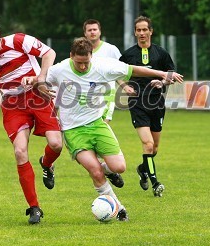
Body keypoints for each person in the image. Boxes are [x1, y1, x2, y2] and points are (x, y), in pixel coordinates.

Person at [35, 37, 183, 220]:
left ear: (91, 56)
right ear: (71, 56)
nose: (82, 67)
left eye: (86, 62)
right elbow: (40, 79)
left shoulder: (103, 66)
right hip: (74, 130)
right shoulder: (59, 69)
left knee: (119, 167)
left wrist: (162, 74)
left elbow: (133, 70)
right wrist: (35, 83)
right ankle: (120, 209)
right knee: (95, 171)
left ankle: (107, 171)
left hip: (98, 124)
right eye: (79, 63)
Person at [0, 17, 63, 224]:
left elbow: (49, 53)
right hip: (13, 106)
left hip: (37, 96)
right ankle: (34, 207)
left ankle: (46, 164)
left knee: (56, 144)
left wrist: (40, 78)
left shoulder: (18, 40)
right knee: (19, 151)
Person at [119, 16, 179, 197]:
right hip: (137, 102)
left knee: (155, 148)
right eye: (138, 30)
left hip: (157, 103)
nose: (142, 33)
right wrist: (124, 86)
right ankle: (155, 182)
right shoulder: (129, 54)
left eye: (145, 30)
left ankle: (143, 169)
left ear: (151, 31)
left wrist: (162, 82)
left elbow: (171, 74)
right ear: (135, 32)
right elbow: (115, 72)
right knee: (147, 144)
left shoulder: (161, 53)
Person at [83, 19, 122, 123]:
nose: (92, 32)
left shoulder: (111, 49)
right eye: (89, 30)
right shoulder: (81, 50)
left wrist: (125, 86)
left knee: (103, 124)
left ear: (100, 31)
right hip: (85, 94)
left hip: (106, 93)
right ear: (85, 33)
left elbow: (121, 71)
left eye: (95, 29)